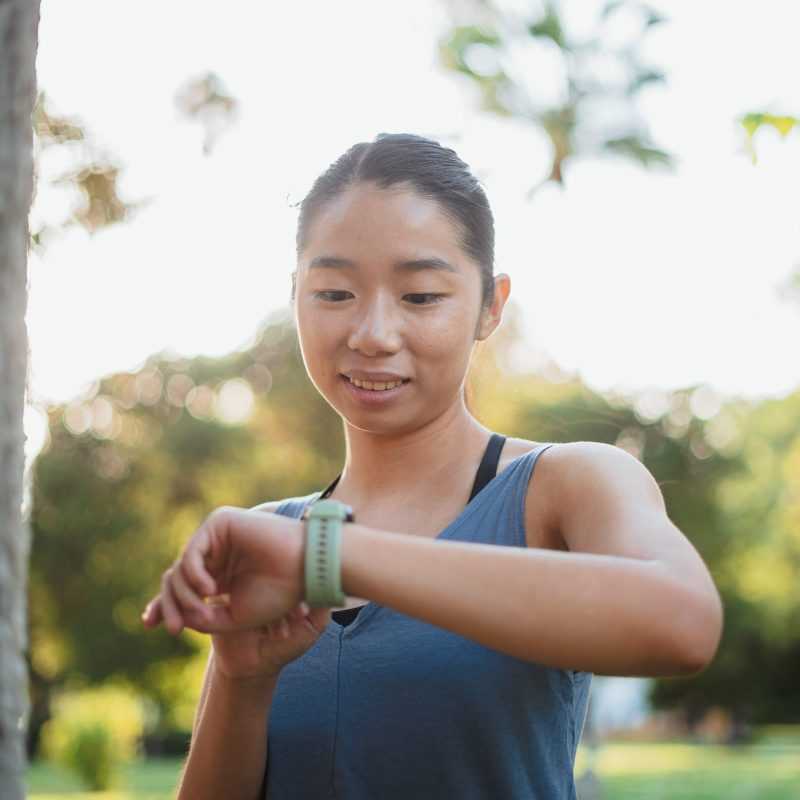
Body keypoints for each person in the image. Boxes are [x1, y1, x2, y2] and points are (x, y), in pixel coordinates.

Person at [141, 132, 723, 799]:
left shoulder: (565, 484)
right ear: (295, 294)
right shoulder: (272, 539)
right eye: (333, 293)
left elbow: (683, 623)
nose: (372, 334)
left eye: (420, 297)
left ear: (490, 306)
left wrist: (327, 555)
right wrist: (242, 679)